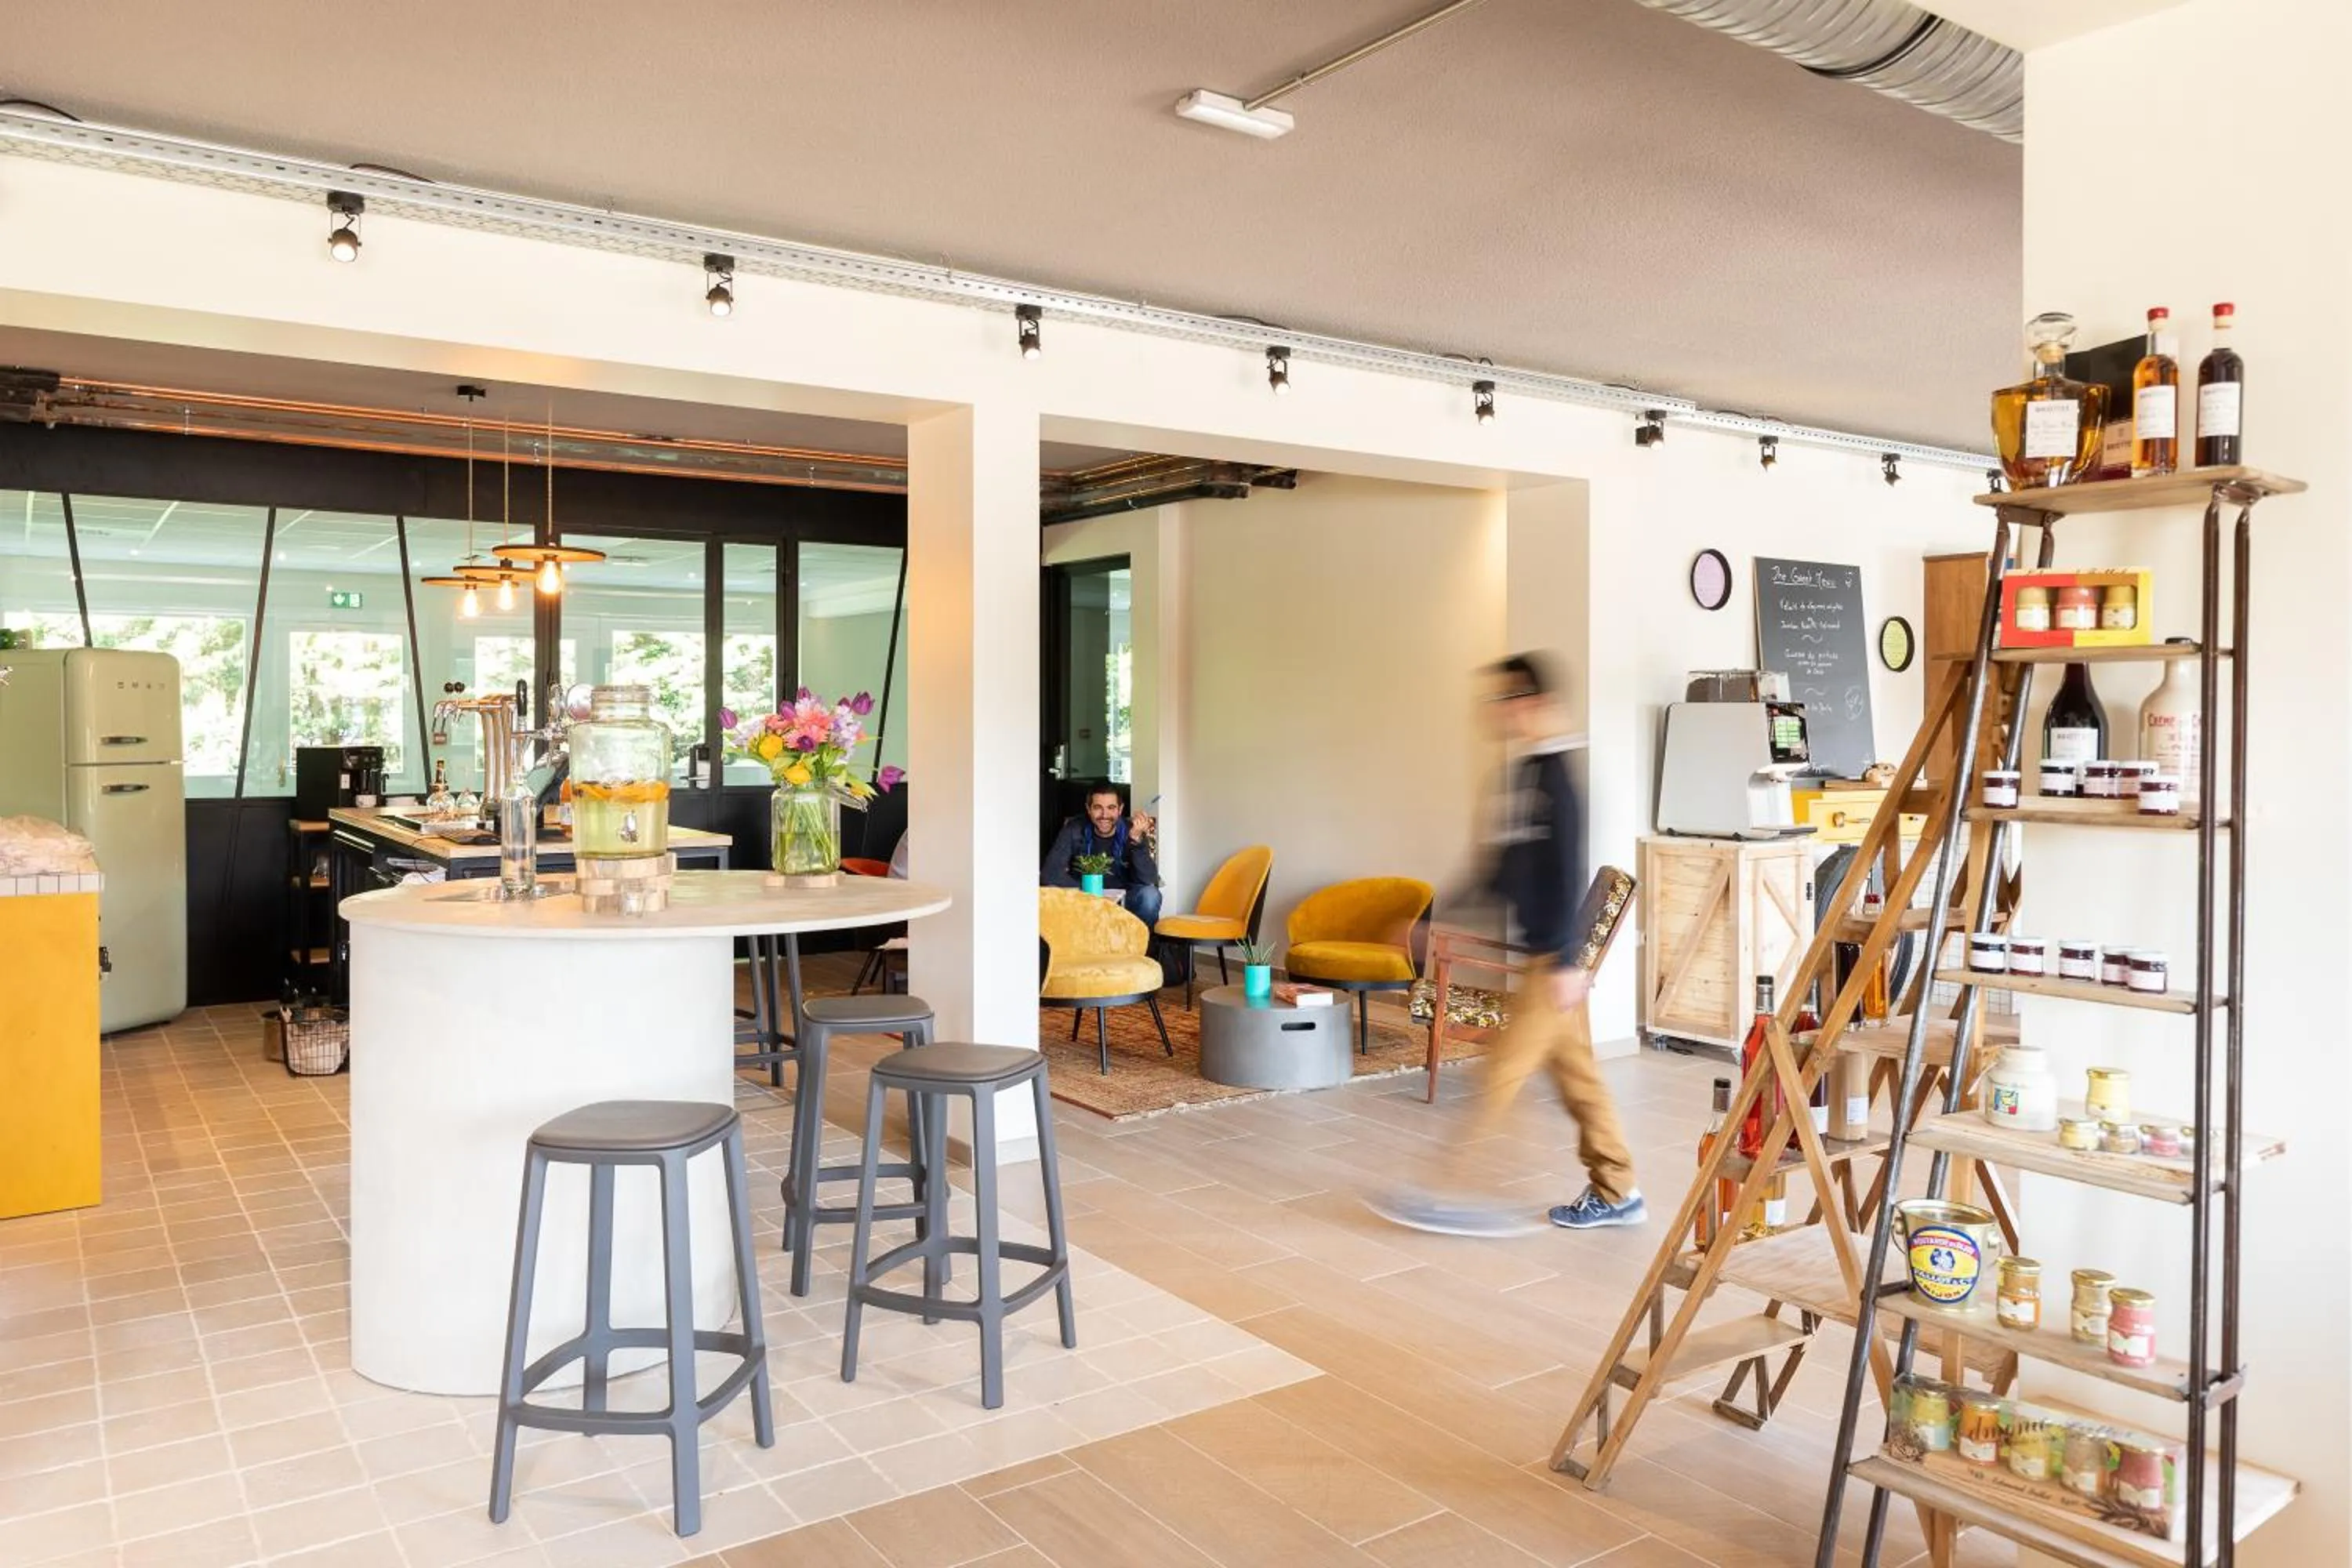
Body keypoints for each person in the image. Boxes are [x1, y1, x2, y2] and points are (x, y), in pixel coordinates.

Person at [1374, 653, 1643, 1235]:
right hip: (1541, 958)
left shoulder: (1558, 780)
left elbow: (1570, 871)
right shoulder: (1523, 775)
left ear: (1533, 702)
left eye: (1505, 699)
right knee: (1579, 1081)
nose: (1495, 712)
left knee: (1496, 1076)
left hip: (1553, 963)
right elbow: (1498, 869)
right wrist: (1431, 923)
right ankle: (1618, 1187)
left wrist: (1571, 963)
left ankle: (1443, 1191)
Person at [1042, 786, 1162, 927]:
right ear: (1088, 809)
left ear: (1120, 809)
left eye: (1111, 807)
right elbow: (1049, 873)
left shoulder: (1133, 830)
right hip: (1084, 897)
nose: (1104, 815)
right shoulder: (1074, 829)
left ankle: (1142, 946)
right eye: (1098, 808)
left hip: (1125, 897)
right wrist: (1090, 893)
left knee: (1150, 895)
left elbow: (1148, 879)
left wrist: (1135, 841)